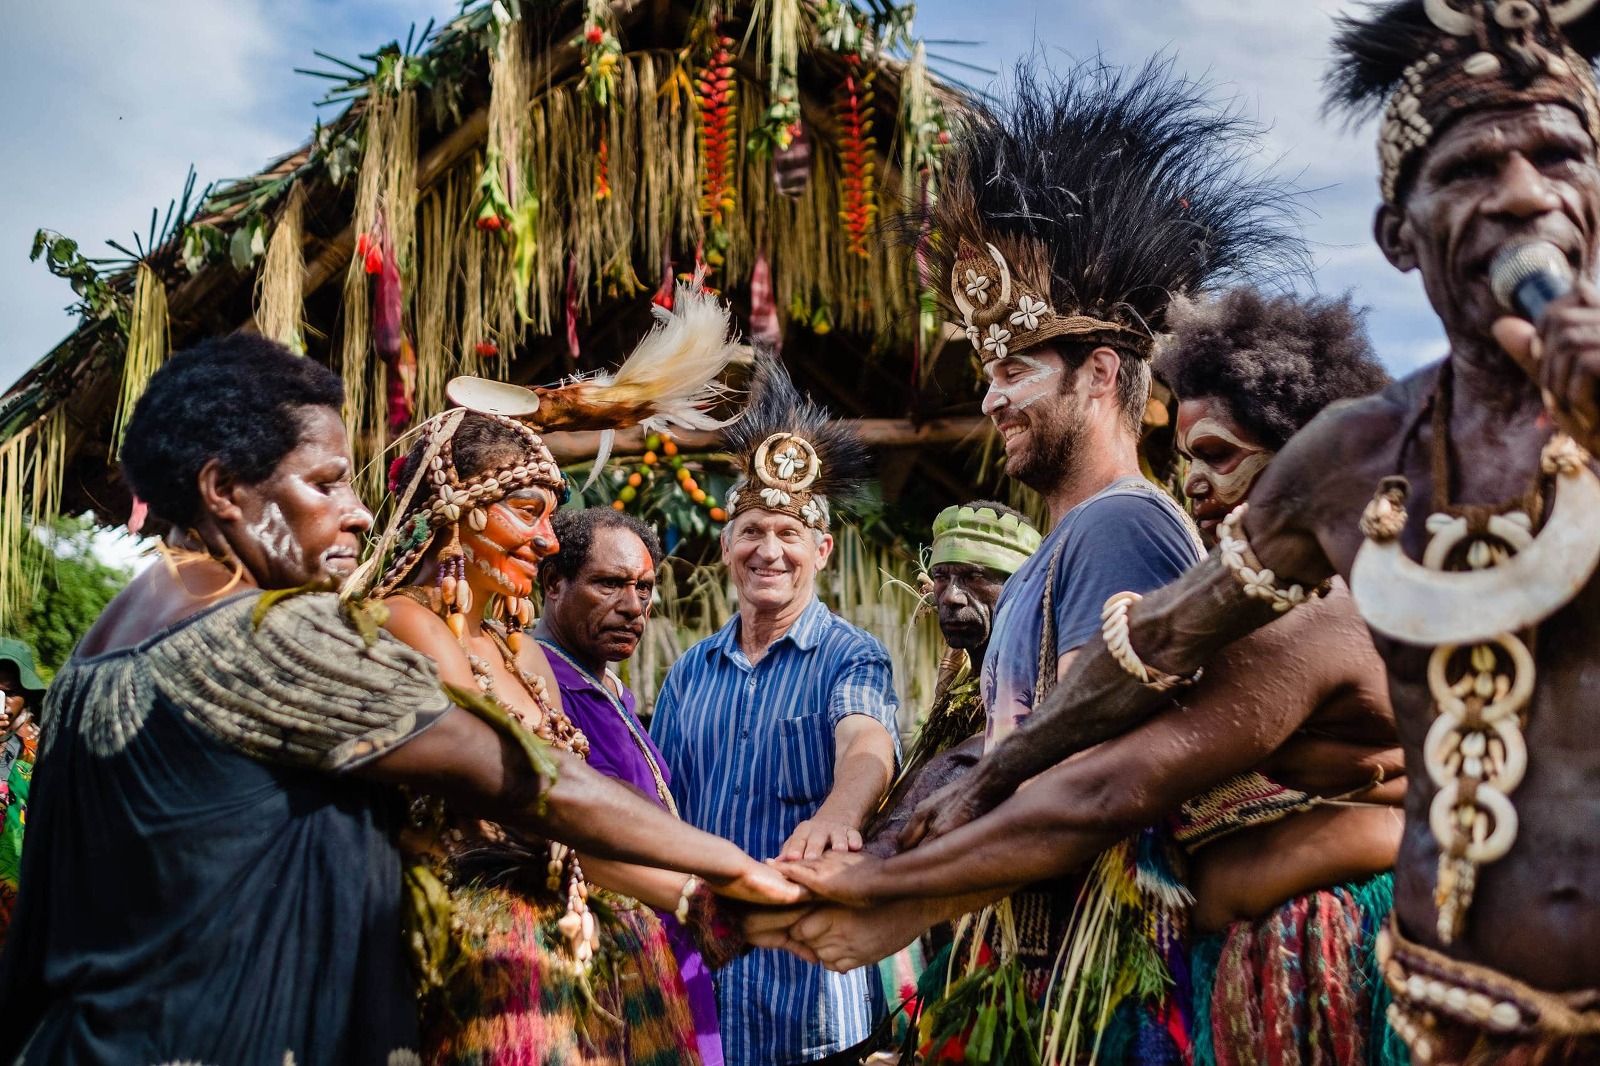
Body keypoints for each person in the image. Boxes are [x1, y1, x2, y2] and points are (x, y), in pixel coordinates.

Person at [890, 2, 1600, 1061]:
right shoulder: (1299, 547)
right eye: (1466, 170)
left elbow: (1116, 782)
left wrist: (886, 877)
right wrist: (959, 784)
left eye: (1554, 153)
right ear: (1399, 236)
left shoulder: (1175, 551)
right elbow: (1136, 709)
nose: (1519, 197)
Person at [0, 333, 799, 1066]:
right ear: (223, 491)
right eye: (324, 484)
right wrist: (732, 874)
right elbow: (522, 777)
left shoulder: (126, 629)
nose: (356, 512)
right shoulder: (265, 633)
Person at [769, 59, 1304, 1051]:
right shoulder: (1067, 540)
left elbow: (1096, 781)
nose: (988, 398)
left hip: (1102, 983)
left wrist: (896, 889)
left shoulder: (1120, 527)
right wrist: (878, 835)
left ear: (1100, 375)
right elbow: (1005, 748)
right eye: (984, 371)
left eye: (1011, 368)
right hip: (1037, 967)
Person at [780, 291, 1409, 1064]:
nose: (1197, 488)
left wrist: (894, 897)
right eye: (1189, 462)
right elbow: (1045, 741)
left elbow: (1103, 787)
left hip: (1319, 974)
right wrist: (881, 858)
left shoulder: (1311, 614)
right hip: (1252, 964)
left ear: (1306, 457)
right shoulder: (1243, 608)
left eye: (1218, 455)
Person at [373, 281, 772, 1066]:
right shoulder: (403, 623)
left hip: (586, 945)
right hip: (479, 969)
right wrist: (708, 885)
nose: (549, 539)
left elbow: (569, 821)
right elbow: (526, 798)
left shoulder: (520, 653)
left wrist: (699, 898)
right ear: (453, 506)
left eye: (551, 516)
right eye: (526, 510)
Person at [650, 357, 901, 1066]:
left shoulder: (852, 657)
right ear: (727, 543)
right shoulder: (687, 673)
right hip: (708, 991)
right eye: (753, 529)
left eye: (789, 534)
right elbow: (663, 810)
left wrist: (837, 815)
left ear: (821, 550)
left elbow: (867, 745)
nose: (770, 550)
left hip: (815, 1002)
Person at [532, 506, 727, 1066]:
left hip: (662, 951)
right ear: (553, 583)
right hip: (600, 968)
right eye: (609, 584)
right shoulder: (538, 686)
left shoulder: (609, 688)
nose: (633, 606)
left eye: (644, 588)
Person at [863, 500, 1040, 850]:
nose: (953, 597)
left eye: (974, 577)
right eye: (942, 577)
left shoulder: (1031, 687)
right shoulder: (963, 688)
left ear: (1020, 589)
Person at [0, 639, 45, 948]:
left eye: (11, 693)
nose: (4, 702)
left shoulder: (42, 750)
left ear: (26, 697)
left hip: (16, 901)